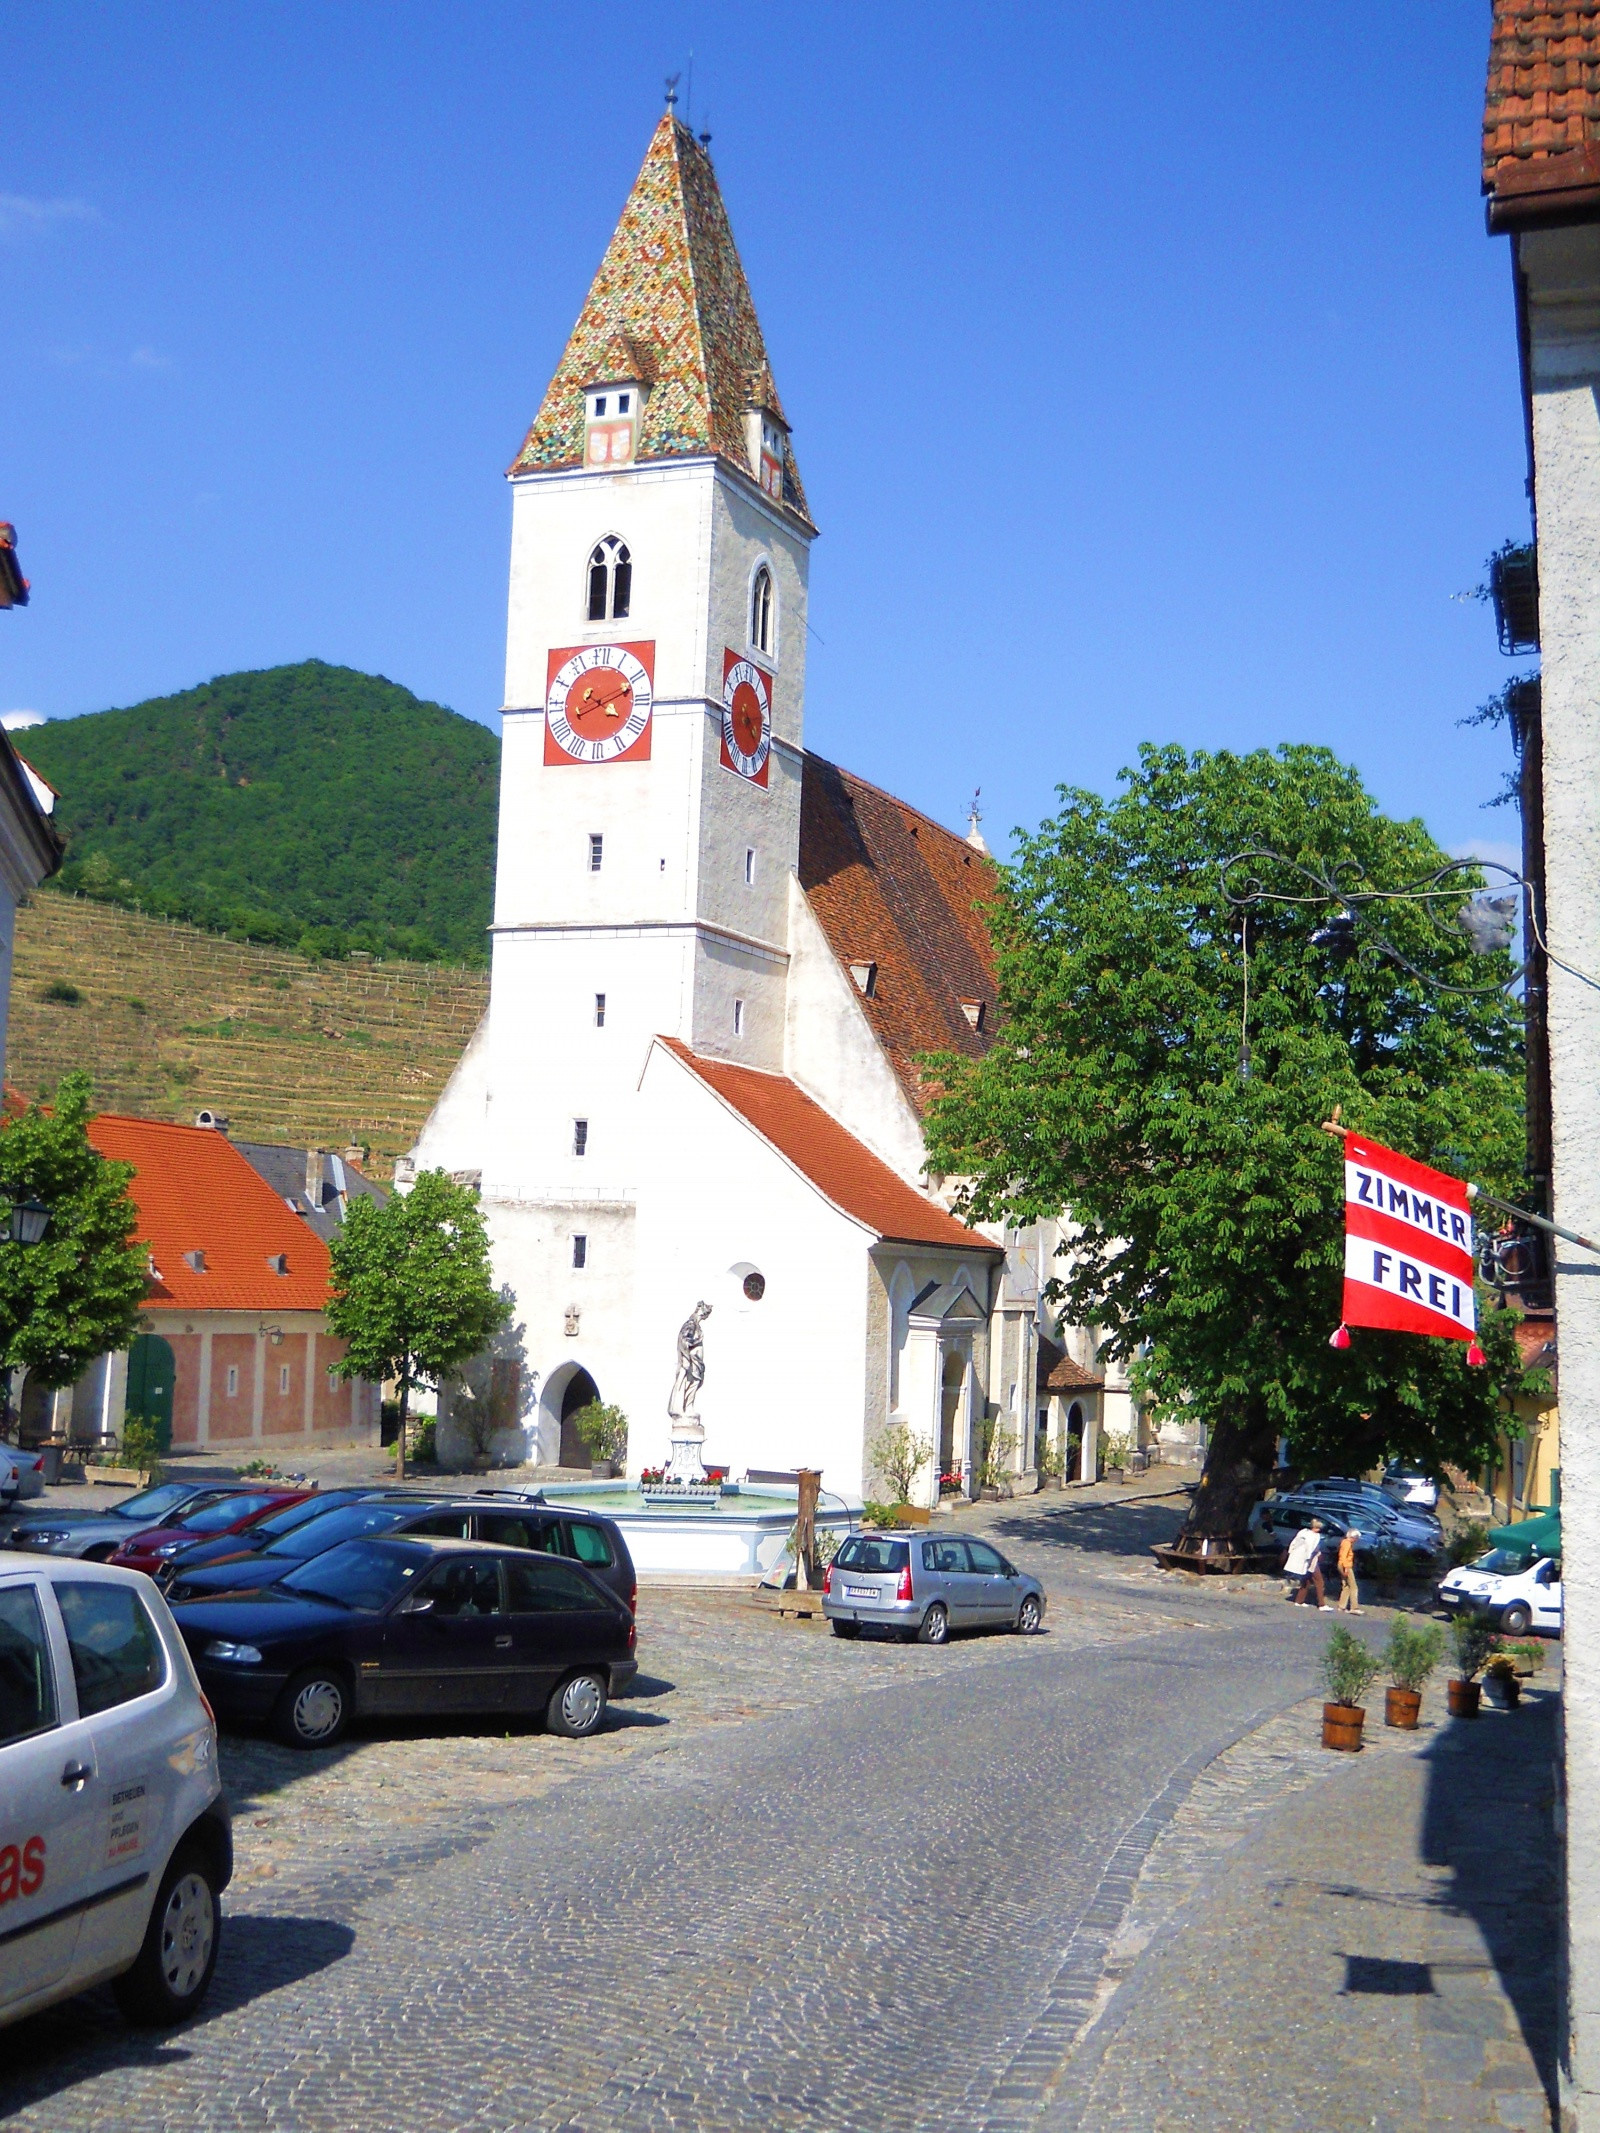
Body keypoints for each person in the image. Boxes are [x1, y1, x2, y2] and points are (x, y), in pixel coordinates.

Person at [1282, 1518, 1330, 1607]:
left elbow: (1294, 1544)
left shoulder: (1303, 1532)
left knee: (1306, 1581)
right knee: (1319, 1582)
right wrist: (1313, 1557)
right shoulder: (1315, 1536)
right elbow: (1312, 1549)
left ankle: (1299, 1600)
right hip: (1311, 1561)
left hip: (1303, 1560)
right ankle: (1321, 1604)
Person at [1336, 1526, 1362, 1612]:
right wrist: (1346, 1568)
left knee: (1346, 1586)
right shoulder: (1347, 1544)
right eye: (1356, 1538)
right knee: (1353, 1587)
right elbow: (1344, 1556)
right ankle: (1354, 1607)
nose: (1356, 1540)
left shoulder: (1344, 1542)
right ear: (1353, 1537)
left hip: (1341, 1564)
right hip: (1346, 1565)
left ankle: (1341, 1606)